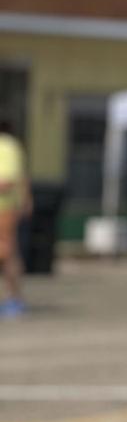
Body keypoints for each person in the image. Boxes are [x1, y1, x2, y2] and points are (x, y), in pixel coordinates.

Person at [0, 121, 30, 319]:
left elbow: (7, 182)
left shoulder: (6, 146)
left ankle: (14, 299)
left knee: (7, 253)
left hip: (4, 209)